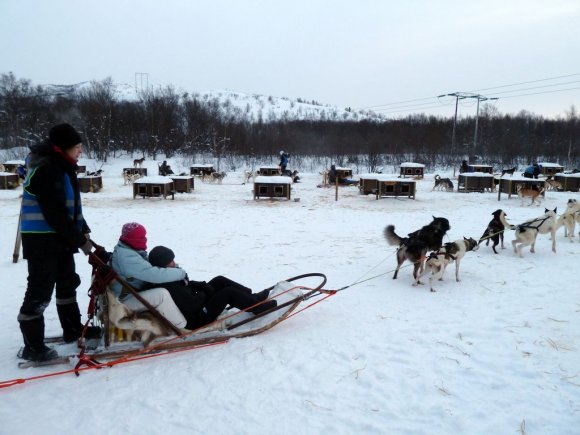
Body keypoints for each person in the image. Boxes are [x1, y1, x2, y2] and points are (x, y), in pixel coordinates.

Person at [18, 123, 100, 362]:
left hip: (59, 238)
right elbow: (54, 212)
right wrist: (76, 238)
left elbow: (70, 207)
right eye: (77, 147)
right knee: (40, 290)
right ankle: (33, 346)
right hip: (42, 240)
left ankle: (72, 329)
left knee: (67, 283)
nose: (80, 152)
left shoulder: (64, 167)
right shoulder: (47, 169)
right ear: (62, 148)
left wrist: (82, 229)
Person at [148, 246, 277, 330]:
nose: (174, 263)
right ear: (162, 266)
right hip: (197, 318)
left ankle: (253, 297)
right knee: (227, 293)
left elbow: (186, 285)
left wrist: (200, 285)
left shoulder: (166, 277)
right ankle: (258, 309)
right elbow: (191, 304)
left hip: (196, 304)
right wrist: (205, 291)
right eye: (171, 262)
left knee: (219, 280)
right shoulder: (168, 285)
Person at [109, 222, 189, 329]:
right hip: (123, 302)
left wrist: (173, 269)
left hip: (129, 294)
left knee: (163, 288)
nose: (145, 239)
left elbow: (148, 269)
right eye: (142, 237)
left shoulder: (127, 249)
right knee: (161, 295)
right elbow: (154, 275)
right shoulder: (127, 258)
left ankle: (175, 317)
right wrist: (180, 273)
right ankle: (181, 326)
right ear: (134, 239)